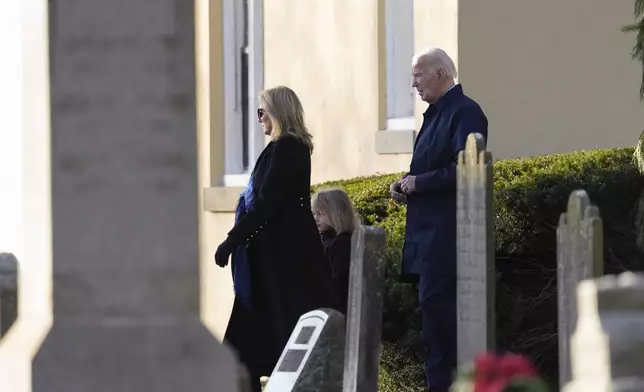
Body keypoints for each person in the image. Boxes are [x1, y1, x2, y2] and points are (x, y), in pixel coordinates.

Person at [214, 86, 334, 392]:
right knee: (247, 347)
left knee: (260, 345)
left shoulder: (288, 148)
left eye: (262, 112)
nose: (259, 119)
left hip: (282, 263)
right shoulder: (281, 147)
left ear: (278, 112)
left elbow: (267, 202)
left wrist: (232, 240)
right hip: (273, 261)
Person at [390, 48, 488, 392]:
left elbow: (467, 169)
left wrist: (421, 183)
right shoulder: (434, 115)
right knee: (434, 329)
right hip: (426, 239)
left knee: (445, 330)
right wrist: (406, 183)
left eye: (418, 74)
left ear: (441, 75)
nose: (413, 83)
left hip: (447, 240)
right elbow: (429, 167)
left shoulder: (465, 112)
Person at [311, 188, 361, 315]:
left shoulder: (341, 244)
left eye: (320, 214)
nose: (315, 218)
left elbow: (340, 284)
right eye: (314, 214)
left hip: (338, 311)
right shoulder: (326, 240)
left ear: (336, 213)